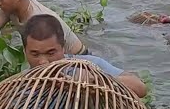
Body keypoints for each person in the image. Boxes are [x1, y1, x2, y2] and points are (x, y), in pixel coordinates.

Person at [19, 16, 147, 98]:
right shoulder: (21, 85)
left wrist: (97, 80)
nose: (43, 62)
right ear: (25, 52)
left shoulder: (88, 65)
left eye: (51, 53)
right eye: (35, 54)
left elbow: (140, 88)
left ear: (63, 48)